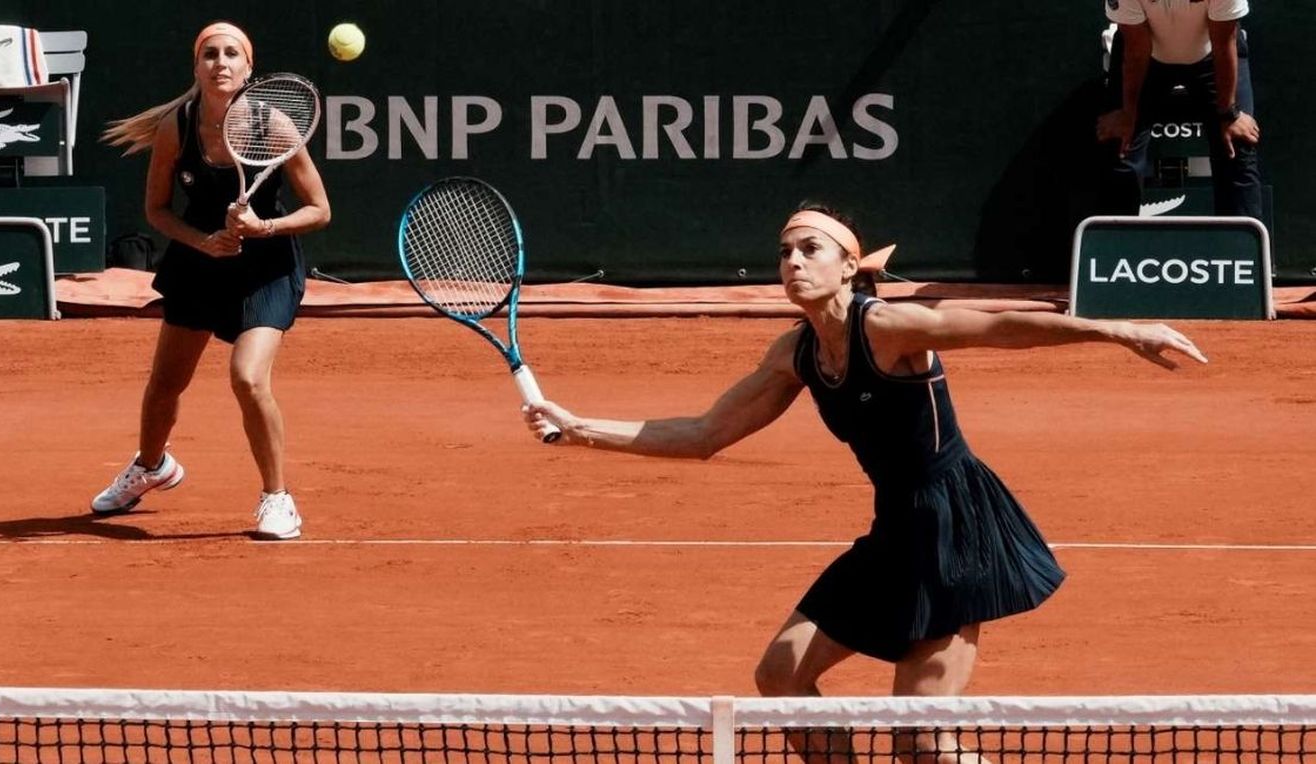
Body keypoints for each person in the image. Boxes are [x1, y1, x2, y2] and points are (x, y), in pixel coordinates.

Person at [523, 205, 1207, 761]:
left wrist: (1119, 328)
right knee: (782, 677)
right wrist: (578, 426)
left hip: (952, 526)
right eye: (785, 252)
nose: (793, 262)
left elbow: (997, 325)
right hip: (894, 532)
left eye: (811, 249)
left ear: (849, 266)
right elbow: (704, 435)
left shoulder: (887, 327)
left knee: (923, 745)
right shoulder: (795, 353)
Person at [92, 21, 331, 539]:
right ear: (196, 67)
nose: (219, 63)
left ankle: (277, 498)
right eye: (209, 55)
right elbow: (157, 210)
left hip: (266, 268)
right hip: (199, 263)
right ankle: (152, 466)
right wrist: (202, 241)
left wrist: (264, 226)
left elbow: (319, 210)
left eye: (230, 55)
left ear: (248, 69)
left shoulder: (276, 126)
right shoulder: (177, 126)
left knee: (247, 377)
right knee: (165, 384)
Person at [1096, 0, 1262, 219]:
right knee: (1121, 146)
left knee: (1237, 146)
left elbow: (1223, 43)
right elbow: (1137, 49)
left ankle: (1241, 248)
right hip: (1144, 56)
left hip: (1214, 53)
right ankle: (1114, 247)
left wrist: (1229, 115)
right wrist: (1128, 115)